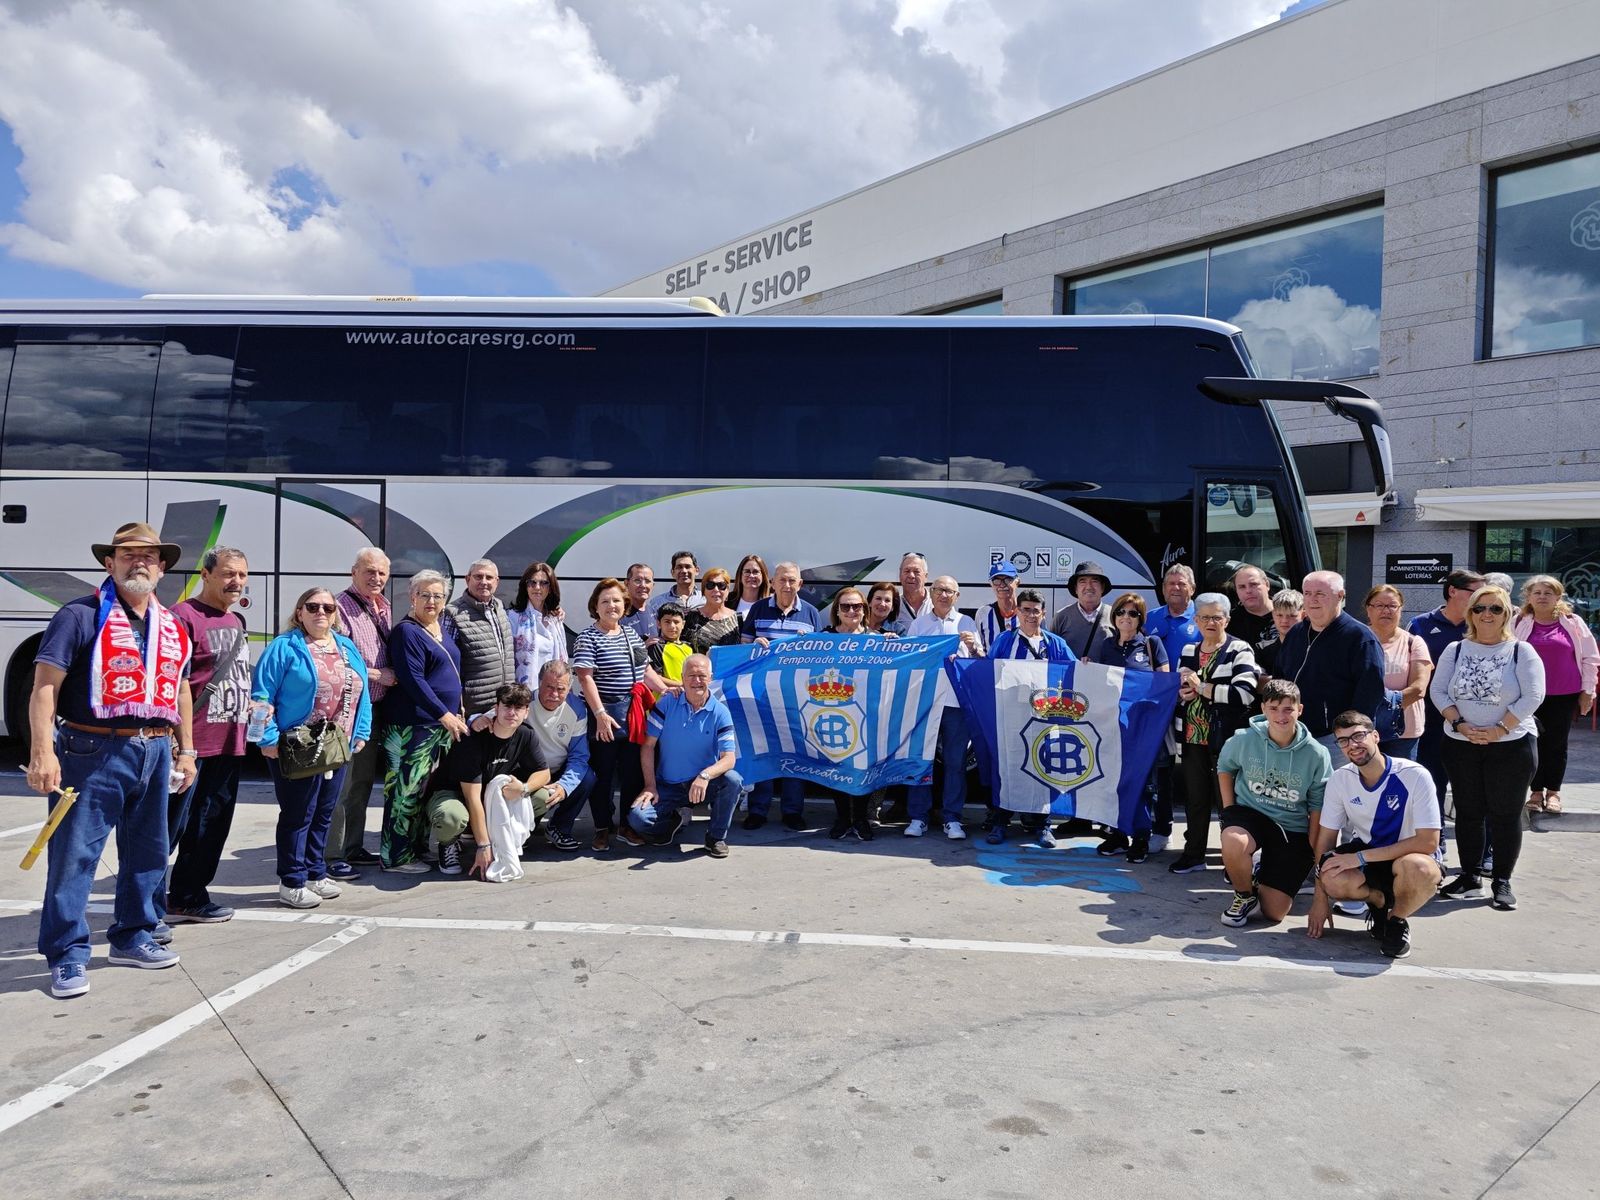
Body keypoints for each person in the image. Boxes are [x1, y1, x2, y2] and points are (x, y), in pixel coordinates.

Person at [26, 522, 197, 998]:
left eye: (149, 556)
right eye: (128, 555)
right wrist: (42, 751)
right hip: (90, 749)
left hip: (155, 749)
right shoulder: (79, 615)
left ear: (161, 568)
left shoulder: (172, 625)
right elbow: (45, 687)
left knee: (149, 851)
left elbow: (181, 688)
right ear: (109, 563)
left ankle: (133, 935)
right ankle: (66, 955)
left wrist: (186, 750)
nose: (139, 562)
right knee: (74, 856)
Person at [253, 587, 372, 909]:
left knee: (323, 812)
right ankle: (292, 881)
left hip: (336, 746)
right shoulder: (284, 647)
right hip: (297, 747)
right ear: (300, 612)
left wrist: (361, 731)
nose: (321, 612)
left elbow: (362, 691)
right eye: (313, 606)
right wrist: (267, 739)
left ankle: (315, 873)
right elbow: (261, 695)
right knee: (298, 815)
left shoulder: (346, 646)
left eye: (328, 608)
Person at [1432, 584, 1545, 911]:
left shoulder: (1521, 651)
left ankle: (1501, 881)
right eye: (1480, 608)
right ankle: (1469, 877)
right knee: (1468, 813)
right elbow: (1439, 691)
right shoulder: (1455, 649)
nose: (1487, 614)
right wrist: (1459, 724)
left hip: (1511, 745)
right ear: (1470, 613)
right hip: (1461, 743)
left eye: (1496, 608)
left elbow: (1534, 695)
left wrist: (1499, 729)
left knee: (1505, 815)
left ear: (1507, 614)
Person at [1306, 711, 1443, 959]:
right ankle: (1379, 902)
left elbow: (1428, 842)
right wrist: (1320, 897)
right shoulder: (1340, 779)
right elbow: (1325, 839)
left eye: (1358, 736)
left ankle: (1396, 920)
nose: (1352, 745)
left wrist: (1359, 858)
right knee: (1332, 875)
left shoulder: (1414, 775)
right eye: (1343, 741)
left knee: (1418, 868)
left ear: (1376, 736)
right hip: (1370, 854)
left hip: (1410, 856)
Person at [166, 546, 253, 922]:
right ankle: (143, 909)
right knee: (169, 829)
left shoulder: (235, 622)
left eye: (242, 575)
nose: (237, 581)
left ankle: (188, 897)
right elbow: (174, 683)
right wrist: (179, 743)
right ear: (205, 575)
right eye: (229, 574)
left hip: (230, 742)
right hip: (191, 746)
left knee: (211, 826)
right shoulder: (182, 617)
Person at [1213, 678, 1330, 927]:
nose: (1281, 716)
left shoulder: (1317, 754)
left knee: (1274, 913)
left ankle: (1257, 871)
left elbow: (1317, 804)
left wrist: (1313, 848)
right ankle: (1244, 895)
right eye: (1274, 708)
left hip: (1290, 824)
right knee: (1233, 840)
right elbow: (1224, 767)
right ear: (1263, 709)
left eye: (1288, 709)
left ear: (1300, 709)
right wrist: (1229, 811)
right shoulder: (1243, 739)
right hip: (1250, 813)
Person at [574, 577, 674, 850]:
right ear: (595, 606)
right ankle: (602, 827)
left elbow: (645, 671)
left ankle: (627, 826)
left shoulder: (631, 635)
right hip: (603, 715)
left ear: (624, 604)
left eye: (616, 600)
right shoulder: (587, 637)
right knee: (603, 775)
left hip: (633, 715)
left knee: (633, 773)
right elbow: (585, 678)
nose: (611, 606)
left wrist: (666, 689)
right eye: (605, 601)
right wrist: (600, 714)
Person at [381, 570, 469, 873]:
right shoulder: (407, 632)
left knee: (421, 791)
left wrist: (455, 711)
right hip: (412, 727)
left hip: (436, 726)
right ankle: (395, 857)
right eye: (425, 595)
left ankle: (415, 848)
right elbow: (413, 680)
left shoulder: (439, 628)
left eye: (438, 596)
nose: (432, 601)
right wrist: (444, 713)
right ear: (412, 596)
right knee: (403, 793)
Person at [1170, 593, 1259, 874]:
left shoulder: (1240, 649)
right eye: (1205, 617)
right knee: (1195, 799)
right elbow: (1181, 688)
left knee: (1228, 802)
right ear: (1196, 620)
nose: (1211, 622)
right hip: (1191, 737)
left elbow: (1244, 694)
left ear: (1227, 620)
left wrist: (1201, 687)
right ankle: (1193, 854)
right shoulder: (1188, 649)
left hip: (1226, 740)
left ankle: (1233, 860)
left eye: (1217, 617)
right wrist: (1184, 693)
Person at [627, 654, 742, 858]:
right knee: (638, 819)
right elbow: (648, 746)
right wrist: (650, 786)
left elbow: (729, 759)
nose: (697, 680)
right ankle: (675, 819)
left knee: (733, 780)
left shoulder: (721, 712)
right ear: (682, 677)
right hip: (668, 785)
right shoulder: (666, 704)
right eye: (691, 675)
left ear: (711, 678)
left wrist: (705, 776)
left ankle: (715, 838)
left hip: (702, 784)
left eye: (702, 675)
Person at [430, 683, 550, 878]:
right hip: (456, 794)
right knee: (452, 816)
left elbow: (544, 773)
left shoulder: (525, 734)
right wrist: (483, 846)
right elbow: (472, 798)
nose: (512, 713)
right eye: (507, 706)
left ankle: (509, 837)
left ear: (526, 712)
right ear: (496, 708)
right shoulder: (474, 739)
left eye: (518, 708)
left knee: (543, 796)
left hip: (490, 798)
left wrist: (523, 787)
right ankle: (448, 843)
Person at [741, 561, 824, 830]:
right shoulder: (758, 609)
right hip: (761, 696)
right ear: (773, 583)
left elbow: (820, 658)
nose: (787, 585)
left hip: (796, 699)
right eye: (782, 580)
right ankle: (758, 811)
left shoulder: (811, 614)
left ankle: (792, 811)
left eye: (792, 580)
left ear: (800, 584)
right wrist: (754, 645)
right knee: (763, 753)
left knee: (795, 754)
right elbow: (743, 648)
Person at [328, 546, 395, 874]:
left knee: (362, 783)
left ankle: (352, 847)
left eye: (382, 572)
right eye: (369, 571)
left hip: (374, 709)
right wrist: (377, 674)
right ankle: (332, 855)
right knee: (343, 784)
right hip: (349, 710)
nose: (376, 577)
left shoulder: (383, 606)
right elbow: (335, 660)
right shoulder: (339, 607)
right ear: (353, 572)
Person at [1089, 592, 1170, 862]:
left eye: (1133, 613)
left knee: (1142, 783)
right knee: (1114, 781)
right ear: (1114, 616)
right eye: (1121, 612)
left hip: (1143, 728)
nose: (1126, 617)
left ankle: (1141, 837)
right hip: (1113, 727)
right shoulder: (1106, 646)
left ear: (1140, 618)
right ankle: (1119, 835)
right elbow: (1100, 684)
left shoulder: (1151, 644)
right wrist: (1088, 669)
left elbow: (1164, 685)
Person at [907, 575, 983, 842]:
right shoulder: (919, 624)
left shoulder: (966, 623)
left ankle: (952, 818)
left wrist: (973, 647)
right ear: (931, 592)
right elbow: (909, 660)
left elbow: (980, 662)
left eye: (949, 591)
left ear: (957, 596)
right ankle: (918, 817)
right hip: (925, 702)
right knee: (921, 760)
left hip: (955, 703)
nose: (943, 595)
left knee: (955, 763)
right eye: (939, 589)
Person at [1515, 575, 1599, 815]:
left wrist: (1588, 691)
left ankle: (1553, 792)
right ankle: (1535, 792)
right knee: (1531, 743)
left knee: (1557, 744)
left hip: (1564, 693)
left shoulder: (1573, 622)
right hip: (1528, 694)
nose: (1542, 597)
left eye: (1548, 593)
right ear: (1528, 596)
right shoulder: (1518, 622)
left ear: (1558, 597)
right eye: (1537, 592)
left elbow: (1590, 658)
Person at [1273, 570, 1385, 749]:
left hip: (1336, 739)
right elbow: (1279, 677)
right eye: (1307, 593)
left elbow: (1370, 692)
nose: (1312, 600)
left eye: (1320, 594)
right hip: (1292, 732)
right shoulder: (1296, 633)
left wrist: (1349, 734)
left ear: (1340, 596)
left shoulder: (1360, 638)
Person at [1407, 568, 1487, 807]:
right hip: (1432, 715)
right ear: (1452, 591)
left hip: (1472, 715)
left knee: (1471, 782)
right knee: (1432, 778)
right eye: (1474, 593)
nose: (1480, 600)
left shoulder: (1482, 624)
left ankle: (1475, 830)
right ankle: (1435, 829)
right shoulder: (1420, 625)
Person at [1145, 563, 1201, 852]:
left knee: (1193, 771)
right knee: (1161, 769)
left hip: (1193, 705)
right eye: (1170, 583)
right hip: (1157, 707)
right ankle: (1161, 828)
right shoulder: (1151, 617)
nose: (1175, 588)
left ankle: (1196, 838)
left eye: (1181, 583)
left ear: (1192, 588)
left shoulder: (1202, 616)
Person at [526, 661, 597, 854]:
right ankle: (524, 827)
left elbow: (579, 756)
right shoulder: (524, 702)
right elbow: (496, 713)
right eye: (549, 687)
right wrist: (476, 719)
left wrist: (564, 786)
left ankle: (559, 827)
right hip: (528, 771)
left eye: (560, 689)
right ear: (539, 683)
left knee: (587, 778)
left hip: (559, 768)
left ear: (569, 689)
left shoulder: (577, 709)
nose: (554, 694)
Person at [1364, 584, 1433, 761]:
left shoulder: (1414, 643)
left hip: (1402, 733)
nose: (1386, 611)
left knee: (1398, 778)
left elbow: (1418, 689)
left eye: (1392, 606)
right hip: (1362, 728)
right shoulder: (1356, 640)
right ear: (1368, 609)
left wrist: (1384, 708)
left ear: (1401, 609)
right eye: (1379, 605)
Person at [444, 558, 515, 719]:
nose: (484, 582)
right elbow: (448, 664)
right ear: (467, 579)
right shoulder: (453, 613)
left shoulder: (499, 607)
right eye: (478, 577)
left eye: (489, 577)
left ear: (497, 582)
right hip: (473, 709)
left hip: (503, 703)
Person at [506, 560, 568, 690]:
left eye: (544, 583)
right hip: (523, 692)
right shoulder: (512, 617)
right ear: (525, 586)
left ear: (550, 588)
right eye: (532, 582)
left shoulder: (555, 619)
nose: (537, 587)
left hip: (551, 691)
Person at [1051, 560, 1114, 660]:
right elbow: (1053, 653)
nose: (1088, 587)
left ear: (1102, 587)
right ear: (1076, 589)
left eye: (1094, 581)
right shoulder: (1061, 617)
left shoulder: (1115, 615)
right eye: (1082, 581)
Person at [685, 567, 743, 654]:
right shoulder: (691, 617)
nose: (716, 589)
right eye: (710, 585)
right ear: (704, 590)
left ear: (727, 590)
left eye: (721, 585)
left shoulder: (738, 618)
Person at [1227, 564, 1278, 659]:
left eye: (1253, 584)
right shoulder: (1229, 623)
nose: (1248, 591)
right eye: (1242, 587)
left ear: (1267, 585)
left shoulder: (1290, 614)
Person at [1256, 588, 1303, 678]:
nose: (1284, 620)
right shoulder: (1262, 650)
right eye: (1279, 615)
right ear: (1273, 614)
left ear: (1303, 615)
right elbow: (1259, 680)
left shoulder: (1312, 647)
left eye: (1292, 615)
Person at [975, 561, 1021, 653]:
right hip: (991, 663)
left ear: (1017, 582)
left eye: (1008, 579)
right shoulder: (983, 613)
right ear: (991, 584)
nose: (1002, 585)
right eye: (996, 580)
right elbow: (979, 649)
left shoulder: (1029, 612)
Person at [885, 553, 932, 635]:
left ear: (926, 576)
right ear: (900, 576)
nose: (911, 575)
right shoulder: (892, 606)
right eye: (907, 571)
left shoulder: (937, 604)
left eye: (916, 571)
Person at [650, 550, 706, 615]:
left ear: (696, 571)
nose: (684, 571)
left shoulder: (706, 599)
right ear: (672, 572)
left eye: (688, 567)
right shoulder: (657, 603)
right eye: (679, 567)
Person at [648, 602, 693, 681]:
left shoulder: (689, 646)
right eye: (667, 622)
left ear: (683, 624)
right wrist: (682, 685)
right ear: (659, 624)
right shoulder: (656, 646)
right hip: (668, 689)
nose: (672, 626)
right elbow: (655, 678)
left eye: (676, 622)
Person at [620, 562, 658, 642]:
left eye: (647, 581)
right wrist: (643, 647)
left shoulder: (655, 613)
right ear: (626, 583)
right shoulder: (618, 614)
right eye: (637, 580)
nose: (643, 585)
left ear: (653, 585)